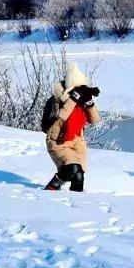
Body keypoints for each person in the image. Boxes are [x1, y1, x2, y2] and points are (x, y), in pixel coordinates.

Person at [42, 62, 100, 192]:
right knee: (71, 168)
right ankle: (49, 192)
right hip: (58, 141)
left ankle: (75, 203)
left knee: (79, 175)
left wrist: (89, 102)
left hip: (76, 142)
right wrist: (73, 99)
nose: (80, 90)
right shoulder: (57, 99)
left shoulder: (80, 100)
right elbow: (62, 115)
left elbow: (95, 119)